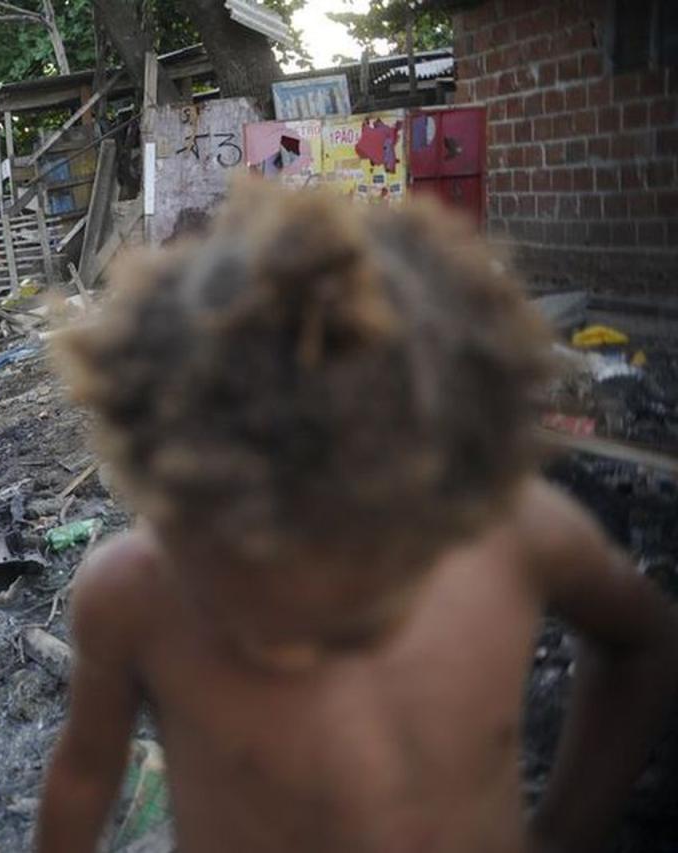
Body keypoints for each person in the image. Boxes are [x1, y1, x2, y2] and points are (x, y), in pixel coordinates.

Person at [37, 179, 678, 853]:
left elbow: (643, 642)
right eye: (248, 583)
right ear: (171, 504)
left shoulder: (513, 530)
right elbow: (83, 779)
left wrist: (565, 830)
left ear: (439, 500)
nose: (290, 647)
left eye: (363, 604)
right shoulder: (130, 592)